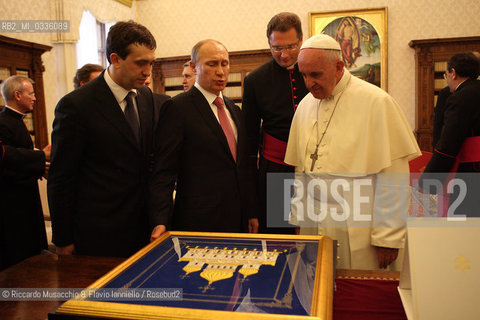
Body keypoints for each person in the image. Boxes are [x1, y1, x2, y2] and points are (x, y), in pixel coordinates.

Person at [284, 34, 420, 270]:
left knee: (361, 293)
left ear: (338, 67)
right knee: (317, 290)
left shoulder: (377, 102)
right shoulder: (305, 106)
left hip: (361, 224)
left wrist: (388, 237)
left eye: (316, 74)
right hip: (314, 221)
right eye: (303, 75)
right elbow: (301, 172)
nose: (308, 83)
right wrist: (298, 218)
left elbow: (394, 177)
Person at [48, 21, 164, 258]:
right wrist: (63, 239)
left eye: (151, 63)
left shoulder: (145, 97)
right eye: (141, 63)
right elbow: (61, 178)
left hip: (144, 230)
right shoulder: (76, 105)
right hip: (98, 234)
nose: (147, 72)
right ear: (116, 59)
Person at [150, 39, 258, 234]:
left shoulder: (234, 110)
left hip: (238, 219)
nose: (220, 71)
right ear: (194, 66)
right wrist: (160, 219)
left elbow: (244, 167)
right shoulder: (177, 108)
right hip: (198, 221)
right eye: (212, 64)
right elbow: (164, 170)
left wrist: (251, 211)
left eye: (224, 64)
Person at [242, 12, 309, 234]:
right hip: (276, 173)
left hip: (315, 169)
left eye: (290, 47)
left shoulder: (315, 71)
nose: (284, 55)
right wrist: (251, 205)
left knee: (317, 238)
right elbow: (249, 145)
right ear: (268, 43)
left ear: (301, 40)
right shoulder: (255, 80)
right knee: (281, 242)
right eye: (276, 48)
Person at [421, 52, 480, 217]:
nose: (446, 79)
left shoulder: (461, 98)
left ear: (453, 73)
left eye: (446, 74)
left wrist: (428, 181)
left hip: (472, 172)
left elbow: (448, 144)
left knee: (466, 226)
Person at [0, 76, 50, 270]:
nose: (35, 98)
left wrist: (40, 166)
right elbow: (6, 159)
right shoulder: (4, 123)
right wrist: (39, 157)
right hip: (11, 201)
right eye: (31, 94)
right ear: (17, 95)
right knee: (16, 252)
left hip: (24, 195)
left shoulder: (16, 121)